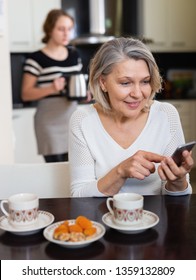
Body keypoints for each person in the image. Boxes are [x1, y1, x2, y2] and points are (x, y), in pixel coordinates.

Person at [68, 37, 194, 197]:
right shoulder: (83, 120)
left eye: (145, 81)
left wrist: (178, 180)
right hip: (102, 218)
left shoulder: (165, 115)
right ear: (103, 82)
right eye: (125, 83)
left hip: (154, 219)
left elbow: (177, 198)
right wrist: (120, 172)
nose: (137, 94)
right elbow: (79, 196)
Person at [21, 9, 83, 162]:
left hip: (72, 121)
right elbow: (26, 93)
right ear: (49, 30)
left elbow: (76, 89)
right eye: (61, 29)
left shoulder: (74, 55)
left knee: (73, 171)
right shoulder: (36, 59)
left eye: (69, 29)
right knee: (55, 171)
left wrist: (85, 94)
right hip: (49, 125)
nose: (66, 34)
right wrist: (51, 88)